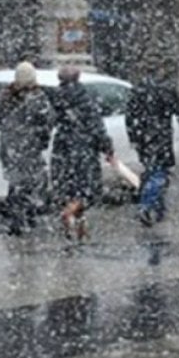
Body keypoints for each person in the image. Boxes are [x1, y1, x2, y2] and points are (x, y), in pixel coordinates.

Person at [0, 61, 56, 236]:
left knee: (15, 182)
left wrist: (9, 130)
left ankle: (17, 219)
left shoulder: (6, 96)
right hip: (29, 146)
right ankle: (27, 216)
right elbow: (47, 123)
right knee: (30, 182)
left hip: (10, 145)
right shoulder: (38, 97)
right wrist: (40, 139)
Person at [50, 66, 114, 241]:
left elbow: (50, 121)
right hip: (83, 148)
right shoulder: (85, 97)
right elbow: (96, 126)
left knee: (66, 187)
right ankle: (69, 214)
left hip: (62, 148)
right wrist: (107, 147)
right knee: (86, 190)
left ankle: (76, 228)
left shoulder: (55, 97)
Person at [127, 66, 179, 226]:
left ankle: (159, 210)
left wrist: (133, 136)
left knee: (152, 170)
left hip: (143, 137)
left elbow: (129, 116)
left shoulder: (138, 91)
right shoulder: (166, 90)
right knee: (159, 172)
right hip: (160, 136)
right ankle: (146, 205)